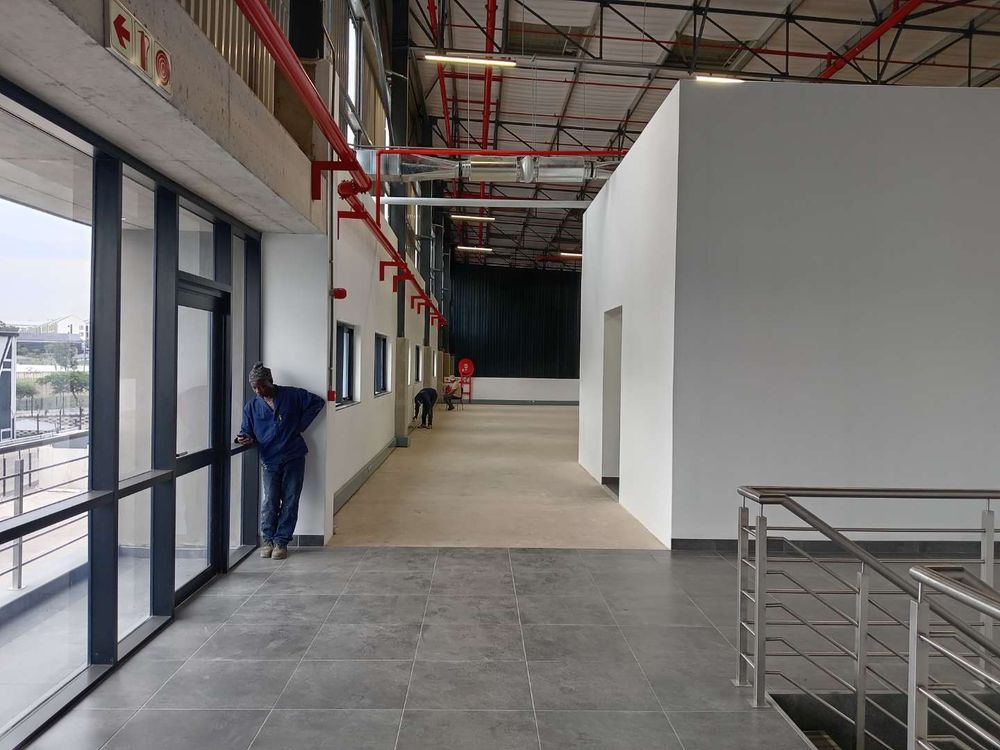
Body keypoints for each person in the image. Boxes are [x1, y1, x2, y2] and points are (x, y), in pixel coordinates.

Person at [236, 362, 324, 560]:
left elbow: (317, 402)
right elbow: (246, 430)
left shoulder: (291, 395)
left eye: (261, 386)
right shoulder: (252, 407)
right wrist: (244, 438)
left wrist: (300, 425)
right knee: (270, 500)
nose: (258, 390)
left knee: (291, 499)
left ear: (270, 381)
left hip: (294, 455)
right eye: (254, 387)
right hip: (269, 459)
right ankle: (268, 540)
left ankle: (281, 542)